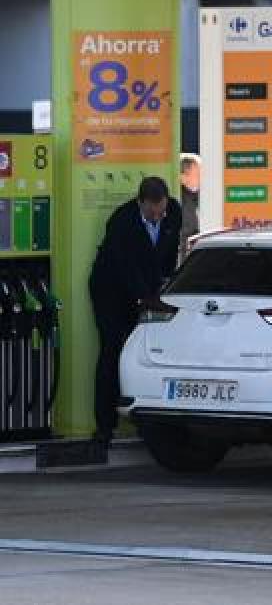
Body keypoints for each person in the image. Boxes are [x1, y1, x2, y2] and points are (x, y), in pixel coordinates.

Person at [88, 176, 182, 444]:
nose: (157, 217)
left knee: (146, 352)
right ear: (140, 203)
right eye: (152, 212)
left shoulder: (173, 212)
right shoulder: (121, 222)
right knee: (112, 349)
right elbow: (125, 268)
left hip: (146, 289)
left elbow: (167, 254)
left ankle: (145, 421)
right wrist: (144, 299)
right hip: (111, 291)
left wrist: (164, 290)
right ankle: (105, 425)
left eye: (161, 211)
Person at [179, 154, 201, 257]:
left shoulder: (200, 197)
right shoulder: (180, 201)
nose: (201, 178)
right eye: (197, 174)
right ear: (183, 177)